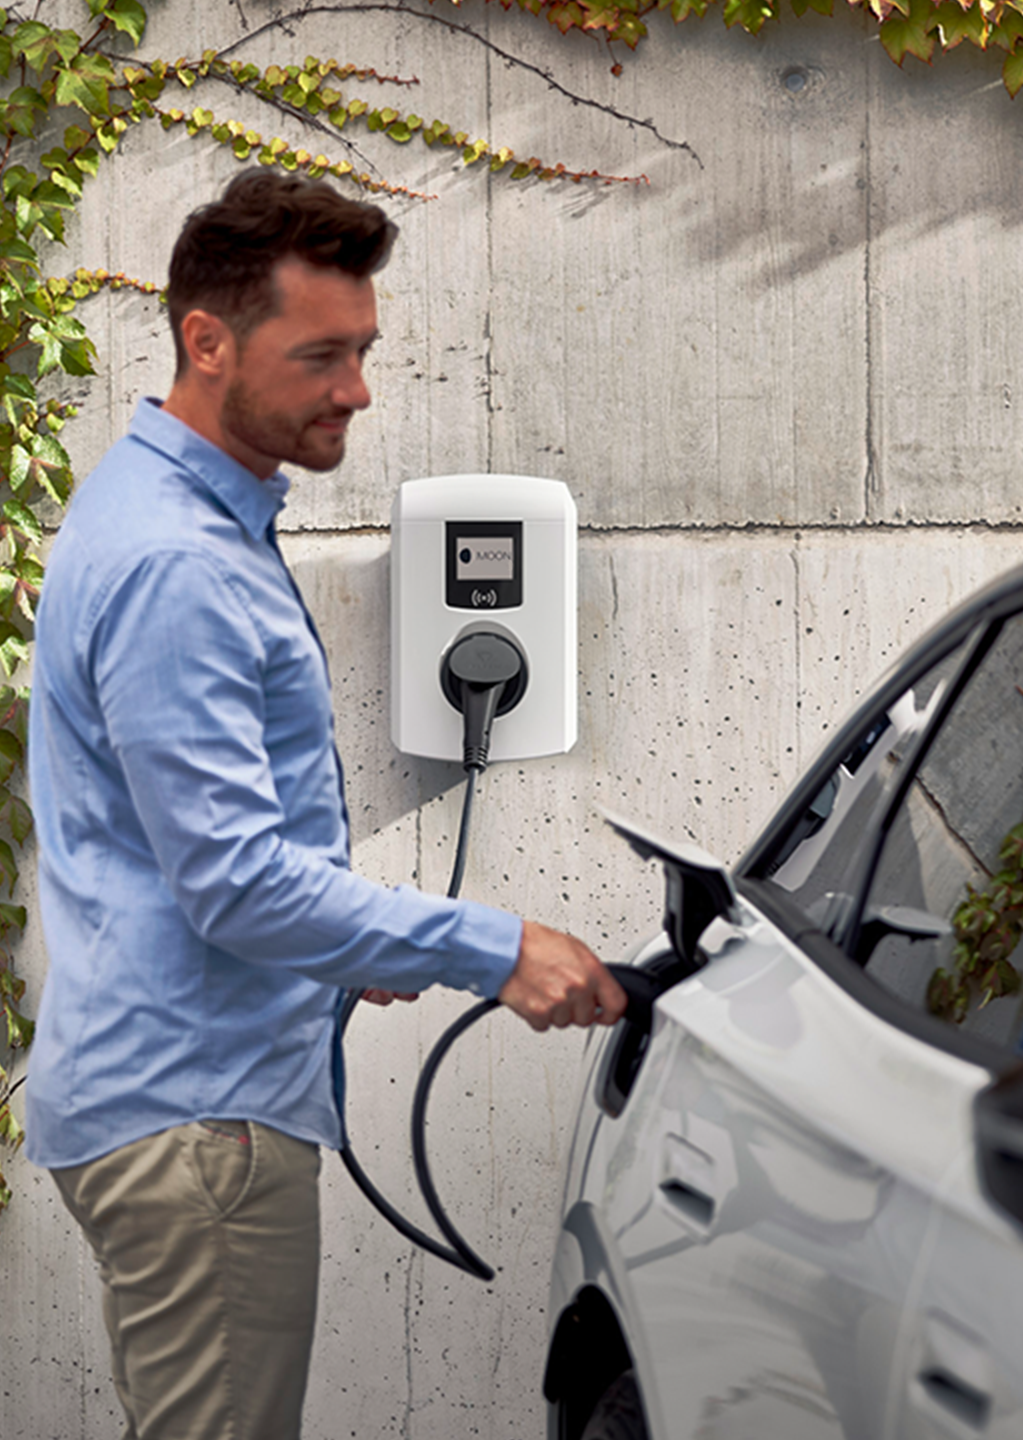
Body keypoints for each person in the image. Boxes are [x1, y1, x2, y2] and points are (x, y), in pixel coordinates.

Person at [24, 170, 626, 1440]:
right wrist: (495, 947)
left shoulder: (165, 512)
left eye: (362, 351)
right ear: (208, 341)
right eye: (321, 356)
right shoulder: (177, 564)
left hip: (178, 1095)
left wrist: (343, 948)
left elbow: (185, 852)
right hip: (200, 1124)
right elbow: (235, 880)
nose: (357, 388)